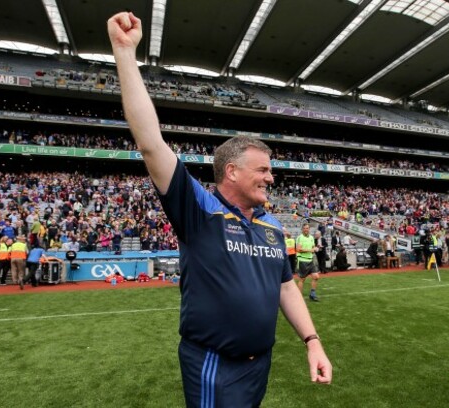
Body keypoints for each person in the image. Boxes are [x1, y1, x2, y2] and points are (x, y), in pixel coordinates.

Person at [108, 11, 331, 408]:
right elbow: (150, 143)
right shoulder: (200, 210)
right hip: (212, 362)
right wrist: (125, 52)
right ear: (231, 171)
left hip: (259, 363)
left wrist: (312, 342)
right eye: (262, 170)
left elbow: (284, 287)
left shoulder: (272, 226)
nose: (271, 178)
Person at [297, 223, 320, 301]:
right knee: (302, 279)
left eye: (307, 228)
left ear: (309, 229)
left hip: (310, 260)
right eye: (305, 228)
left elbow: (313, 247)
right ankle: (299, 297)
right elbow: (298, 249)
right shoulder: (300, 237)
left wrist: (316, 248)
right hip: (302, 260)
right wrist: (310, 250)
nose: (306, 229)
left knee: (316, 276)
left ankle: (312, 294)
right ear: (302, 229)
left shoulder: (311, 237)